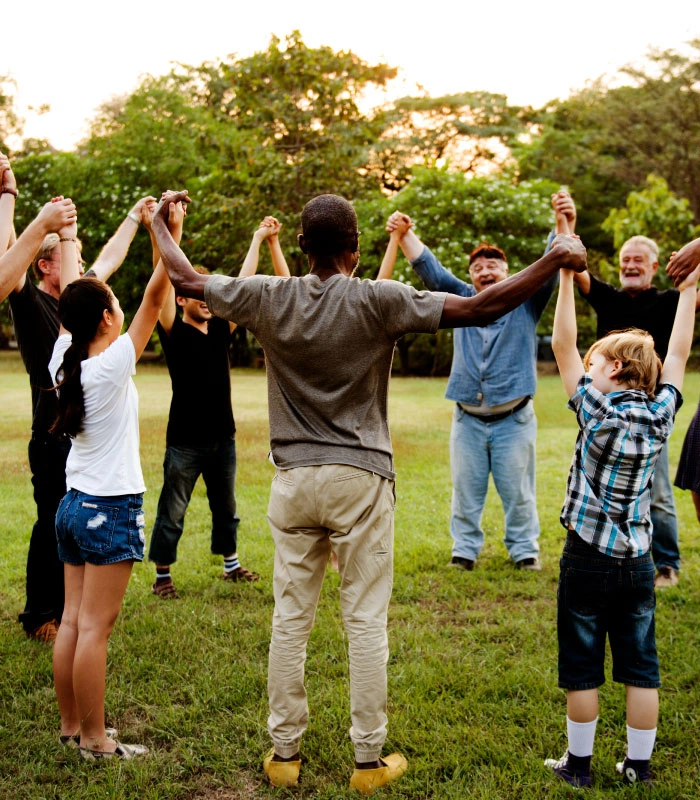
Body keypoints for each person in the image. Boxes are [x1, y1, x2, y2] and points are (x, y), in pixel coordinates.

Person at [151, 189, 587, 793]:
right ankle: (367, 761)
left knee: (290, 619)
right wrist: (554, 257)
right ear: (356, 250)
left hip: (295, 479)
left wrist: (158, 222)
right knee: (364, 620)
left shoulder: (270, 296)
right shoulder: (381, 300)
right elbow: (483, 308)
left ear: (302, 246)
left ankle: (284, 755)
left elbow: (186, 278)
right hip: (361, 478)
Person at [545, 235, 700, 789]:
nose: (587, 369)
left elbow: (563, 345)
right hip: (638, 560)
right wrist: (690, 292)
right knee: (642, 667)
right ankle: (638, 767)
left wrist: (565, 276)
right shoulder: (661, 412)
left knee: (582, 664)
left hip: (585, 557)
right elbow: (678, 353)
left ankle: (579, 767)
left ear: (612, 368)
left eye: (594, 363)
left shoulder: (596, 407)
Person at [1, 152, 157, 642]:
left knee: (68, 522)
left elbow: (107, 258)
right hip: (51, 434)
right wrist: (15, 205)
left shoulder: (72, 313)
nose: (82, 266)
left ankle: (71, 611)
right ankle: (40, 613)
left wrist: (133, 218)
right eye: (69, 257)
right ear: (43, 263)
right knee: (51, 521)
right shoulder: (30, 303)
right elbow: (10, 260)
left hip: (78, 429)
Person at [49, 198, 182, 759]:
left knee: (73, 623)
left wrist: (76, 232)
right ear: (106, 318)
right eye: (112, 302)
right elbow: (157, 293)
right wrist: (169, 231)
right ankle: (97, 742)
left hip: (74, 505)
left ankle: (71, 727)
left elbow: (89, 276)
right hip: (108, 508)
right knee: (93, 631)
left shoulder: (65, 354)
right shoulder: (112, 362)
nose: (119, 304)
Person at [384, 196, 571, 571]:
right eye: (478, 267)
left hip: (513, 420)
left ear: (507, 271)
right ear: (471, 276)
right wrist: (403, 234)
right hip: (467, 419)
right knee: (466, 493)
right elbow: (430, 271)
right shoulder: (461, 300)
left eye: (493, 265)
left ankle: (524, 552)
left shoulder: (527, 300)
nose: (485, 271)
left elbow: (552, 263)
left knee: (518, 492)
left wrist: (562, 220)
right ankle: (464, 552)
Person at [149, 216, 290, 598]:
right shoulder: (172, 332)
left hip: (222, 439)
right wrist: (160, 234)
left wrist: (258, 239)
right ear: (182, 299)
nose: (207, 301)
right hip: (184, 442)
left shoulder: (220, 331)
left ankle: (231, 566)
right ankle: (162, 576)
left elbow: (241, 287)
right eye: (199, 294)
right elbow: (158, 288)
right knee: (172, 512)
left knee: (226, 508)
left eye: (210, 295)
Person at [568, 195, 700, 587]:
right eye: (625, 259)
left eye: (638, 260)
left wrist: (695, 270)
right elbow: (572, 267)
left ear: (655, 267)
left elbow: (679, 346)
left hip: (647, 415)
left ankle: (666, 564)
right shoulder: (608, 297)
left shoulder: (670, 301)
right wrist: (566, 223)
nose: (630, 265)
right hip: (602, 409)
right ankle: (601, 551)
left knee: (657, 491)